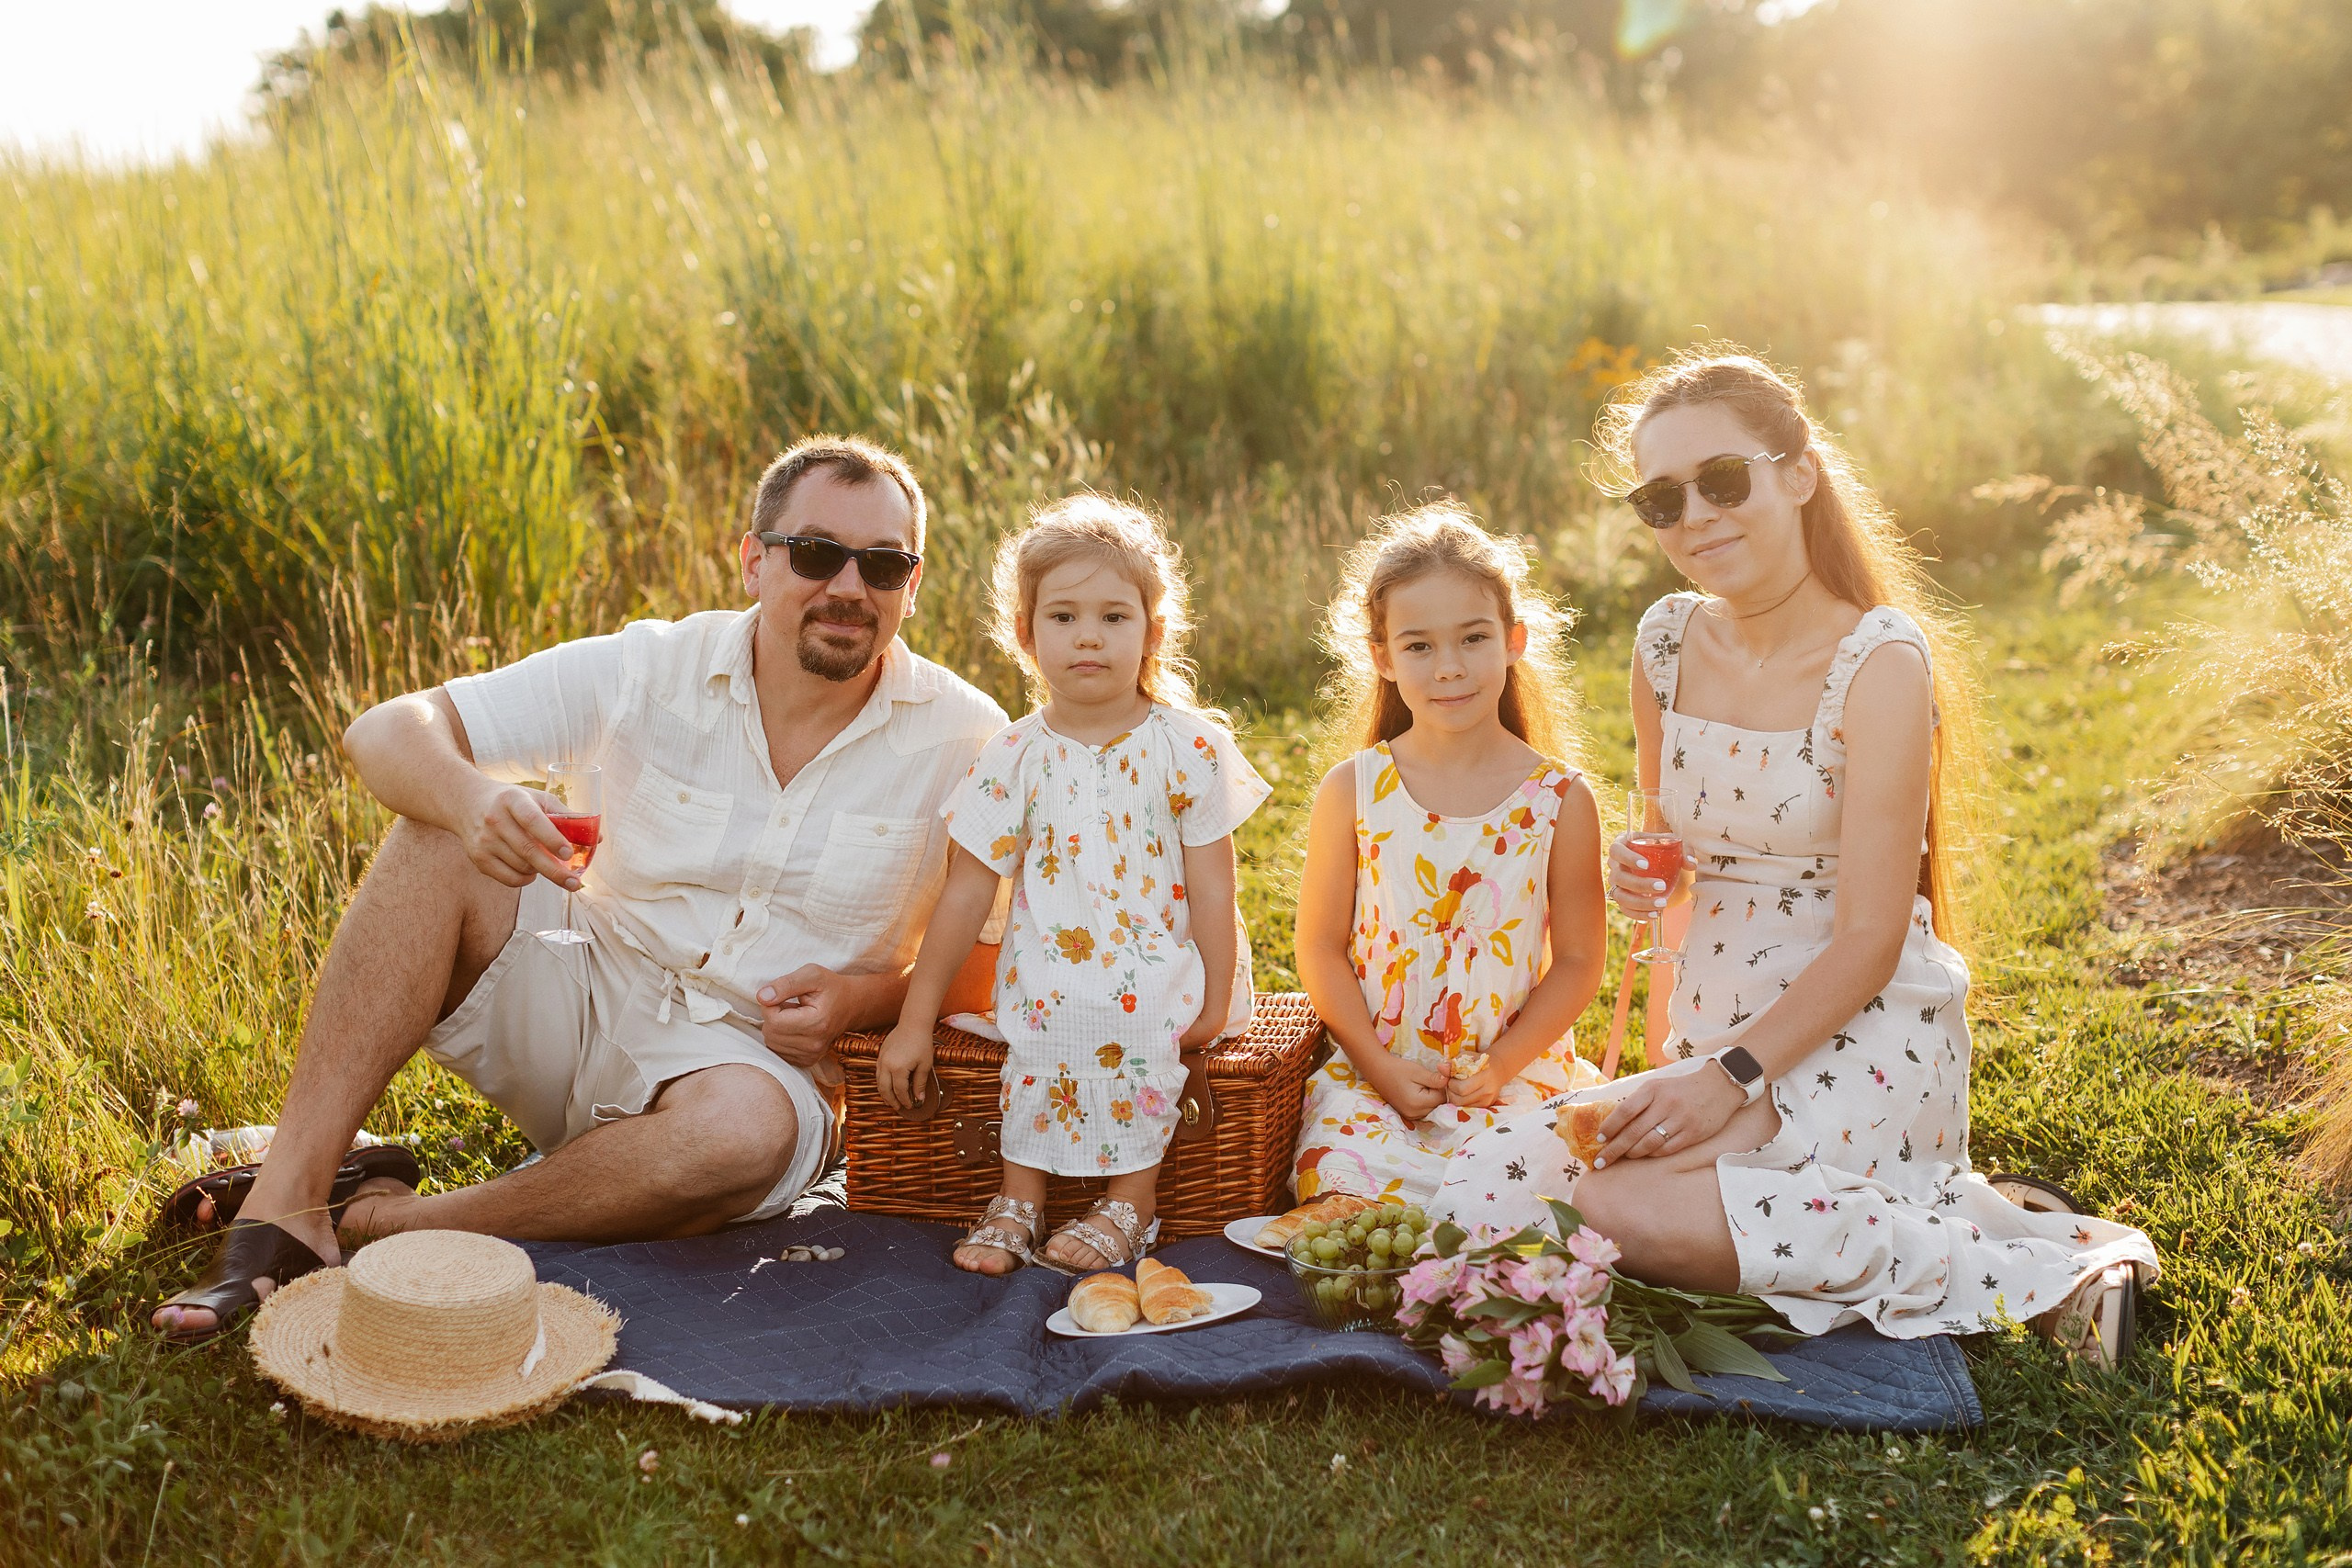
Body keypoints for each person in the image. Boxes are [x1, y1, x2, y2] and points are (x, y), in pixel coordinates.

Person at [153, 435, 1006, 1341]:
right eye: (817, 553)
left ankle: (387, 1222)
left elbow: (995, 960)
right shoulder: (650, 666)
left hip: (751, 1068)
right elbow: (385, 731)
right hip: (582, 985)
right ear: (754, 561)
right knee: (438, 834)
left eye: (883, 564)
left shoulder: (967, 739)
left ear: (913, 585)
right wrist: (474, 801)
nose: (849, 587)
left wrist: (859, 1001)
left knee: (743, 1131)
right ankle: (285, 1203)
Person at [1435, 351, 2158, 1365]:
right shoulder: (1665, 643)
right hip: (1717, 1022)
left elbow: (1869, 937)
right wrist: (1646, 882)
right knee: (1483, 1185)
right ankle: (1930, 1211)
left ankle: (2050, 1282)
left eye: (1723, 480)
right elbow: (1674, 859)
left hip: (1855, 1027)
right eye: (1663, 498)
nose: (1696, 515)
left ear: (1800, 474)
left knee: (1622, 1209)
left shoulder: (1878, 661)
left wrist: (1727, 1078)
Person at [876, 496, 1270, 1273]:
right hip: (1053, 960)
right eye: (1063, 616)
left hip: (1171, 962)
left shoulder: (1188, 749)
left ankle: (1133, 1197)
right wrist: (914, 1020)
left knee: (1138, 1004)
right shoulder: (1013, 756)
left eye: (1114, 617)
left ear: (1153, 631)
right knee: (1041, 1005)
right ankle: (1020, 1193)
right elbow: (966, 894)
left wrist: (1217, 999)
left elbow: (1215, 889)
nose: (1088, 635)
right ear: (1026, 634)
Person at [1286, 504, 1610, 1210]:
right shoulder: (1354, 790)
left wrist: (1502, 1065)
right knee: (1342, 1192)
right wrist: (1378, 1066)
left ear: (1514, 640)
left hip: (1514, 1080)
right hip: (1376, 1083)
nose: (1450, 667)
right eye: (1420, 646)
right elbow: (1319, 946)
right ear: (1383, 657)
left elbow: (1581, 960)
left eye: (1473, 637)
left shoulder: (1559, 799)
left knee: (1537, 1198)